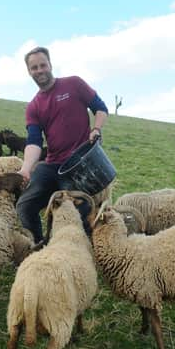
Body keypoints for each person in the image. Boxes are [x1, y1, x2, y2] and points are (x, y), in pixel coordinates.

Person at [16, 46, 109, 244]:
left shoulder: (74, 84)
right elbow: (34, 141)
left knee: (77, 211)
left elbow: (100, 108)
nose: (40, 70)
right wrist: (25, 169)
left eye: (43, 65)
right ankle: (39, 246)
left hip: (80, 164)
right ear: (29, 72)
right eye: (34, 67)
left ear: (50, 64)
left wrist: (96, 129)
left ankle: (83, 253)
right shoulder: (33, 107)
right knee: (24, 205)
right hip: (53, 164)